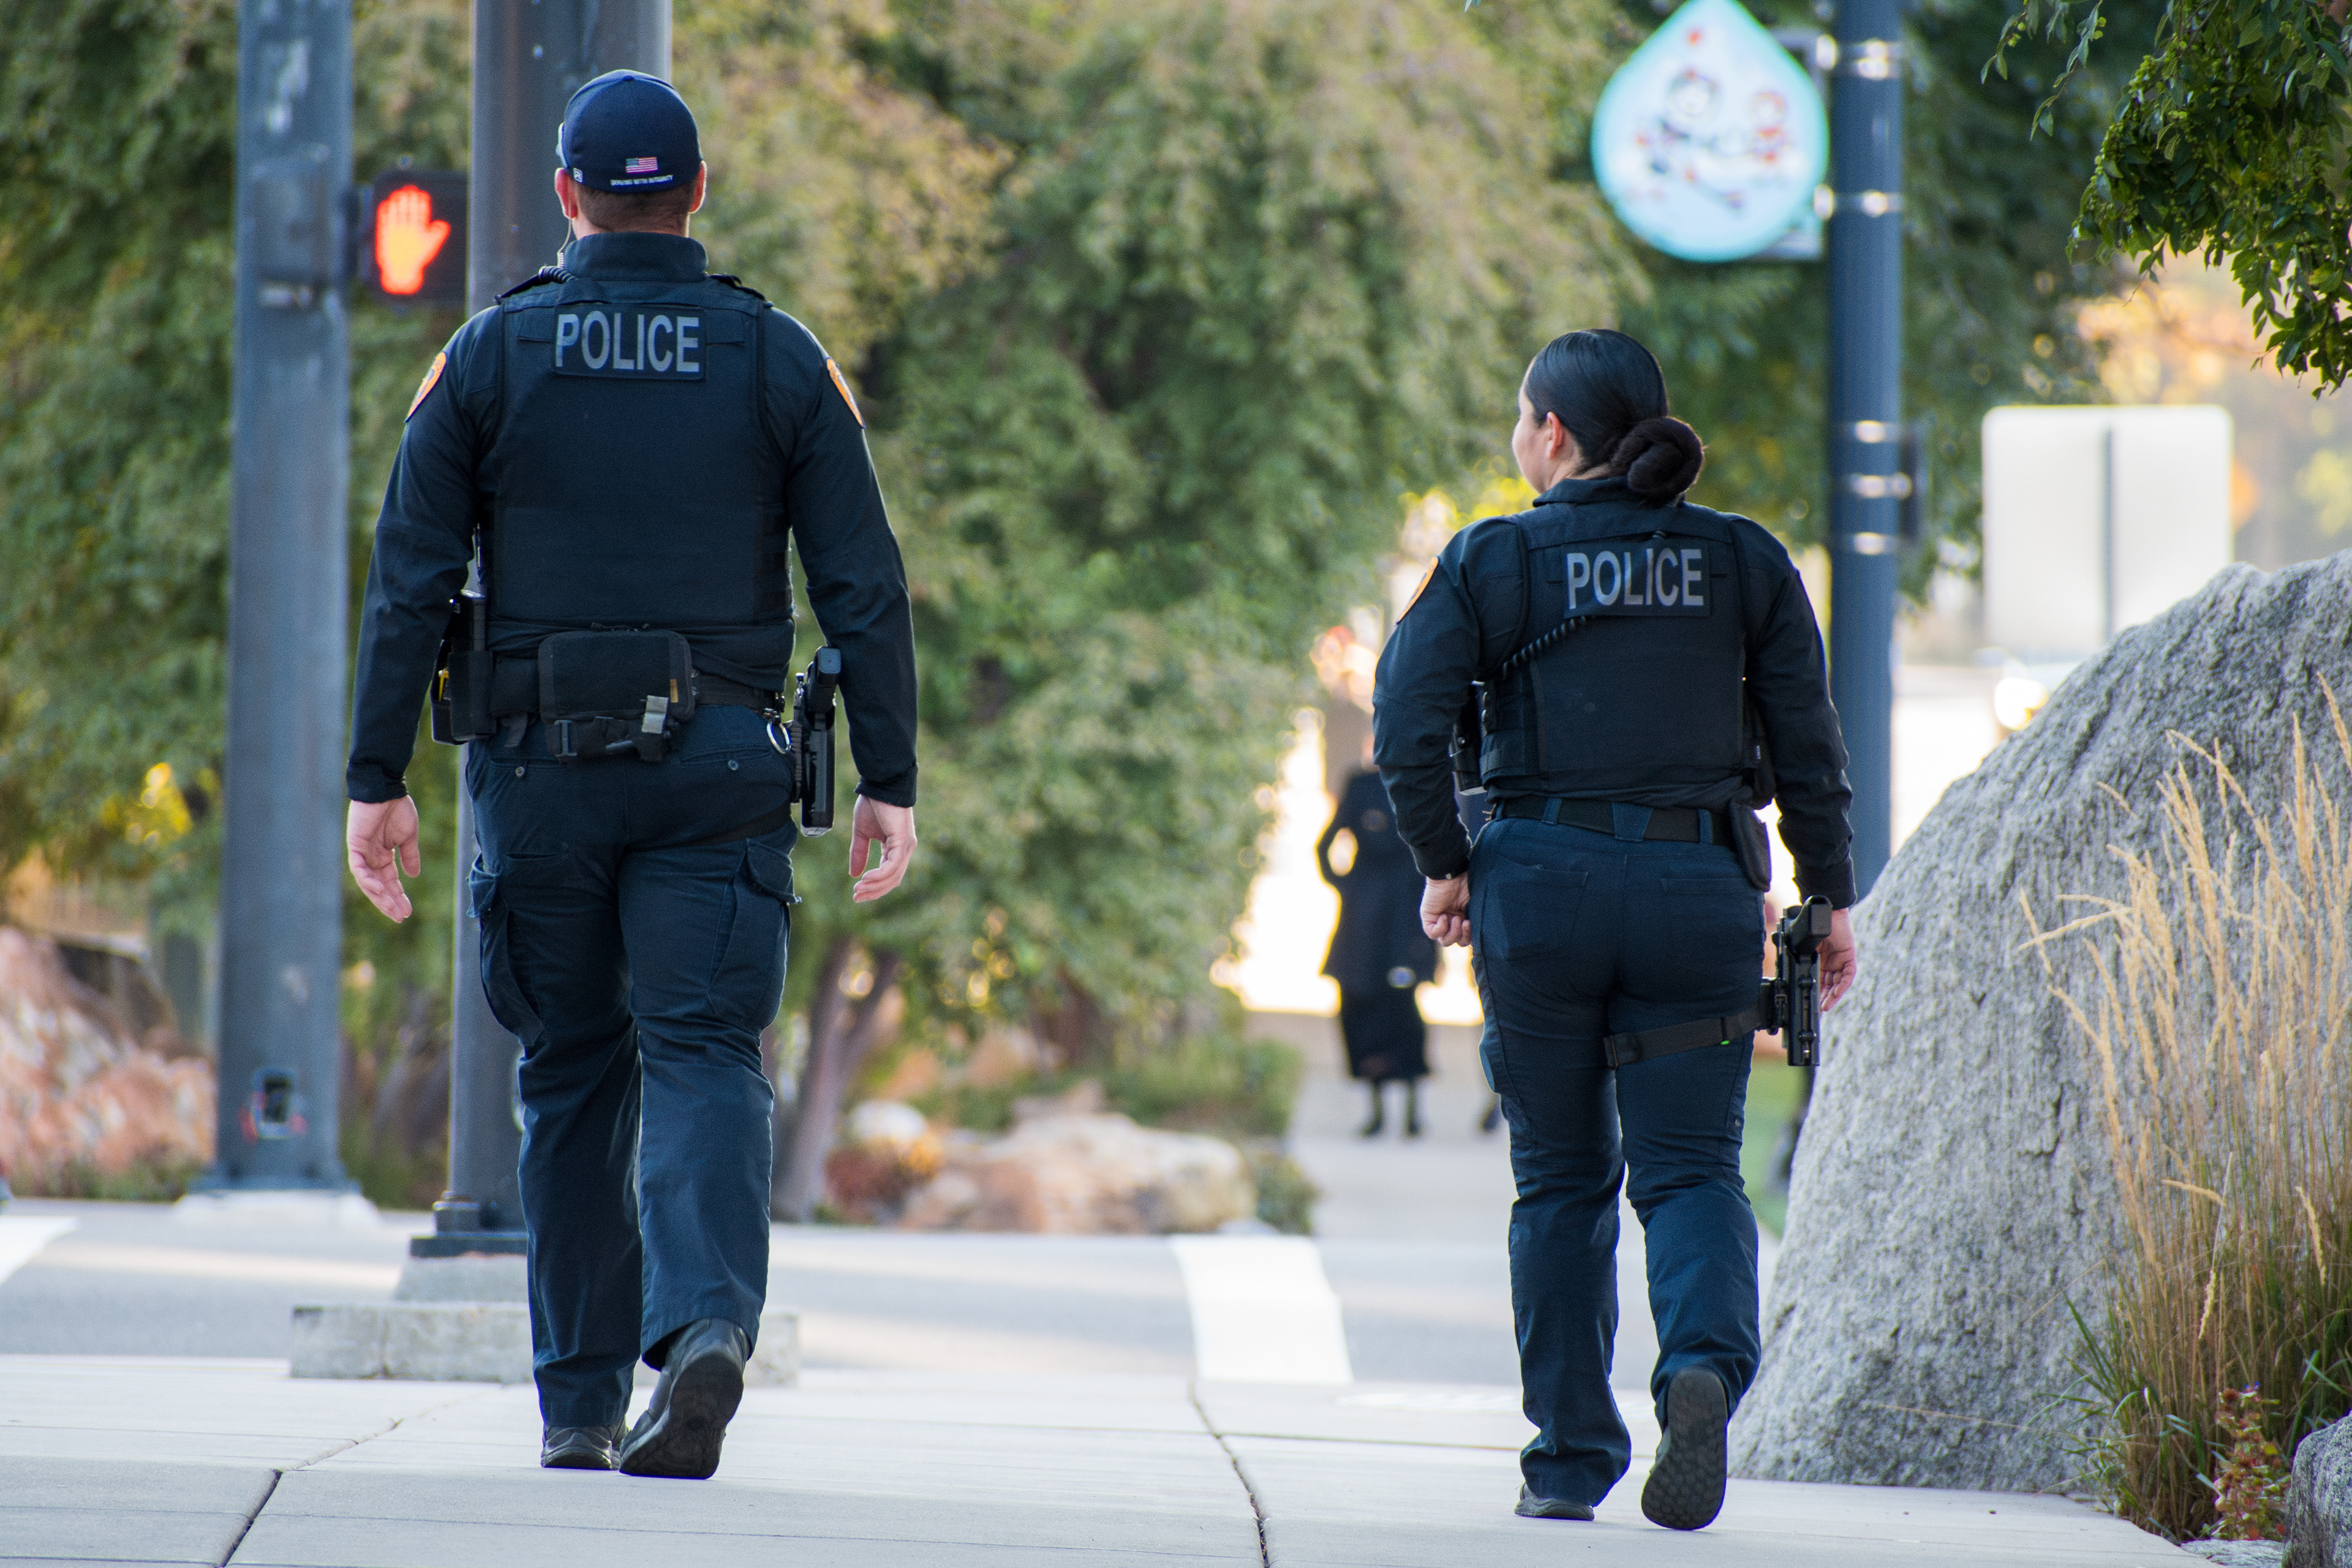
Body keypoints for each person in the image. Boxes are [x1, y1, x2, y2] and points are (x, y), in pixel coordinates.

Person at [341, 72, 919, 1481]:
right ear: (699, 194)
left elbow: (409, 577)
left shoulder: (486, 356)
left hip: (539, 770)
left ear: (564, 196)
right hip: (719, 766)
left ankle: (580, 1403)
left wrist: (376, 773)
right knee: (707, 1051)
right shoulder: (777, 357)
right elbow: (864, 579)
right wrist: (887, 774)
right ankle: (707, 1319)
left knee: (573, 1067)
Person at [1371, 328, 1857, 1531]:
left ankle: (1567, 1457)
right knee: (1693, 1168)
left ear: (1552, 432)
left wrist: (1447, 863)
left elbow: (1404, 719)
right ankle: (1699, 1364)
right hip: (1699, 884)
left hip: (1538, 886)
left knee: (1561, 1180)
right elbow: (1808, 742)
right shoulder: (1742, 561)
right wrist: (1829, 893)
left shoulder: (1493, 559)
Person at [1314, 763, 1439, 1137]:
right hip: (1366, 918)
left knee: (1404, 1007)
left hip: (1409, 910)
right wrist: (1347, 885)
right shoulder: (1363, 784)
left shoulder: (1427, 779)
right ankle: (1378, 1110)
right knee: (1360, 1005)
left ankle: (1413, 1110)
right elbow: (1325, 844)